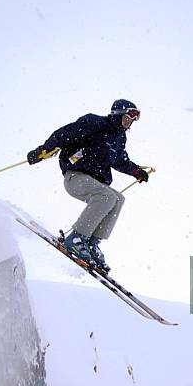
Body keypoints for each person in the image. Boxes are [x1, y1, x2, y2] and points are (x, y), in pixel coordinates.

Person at [27, 99, 149, 272]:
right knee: (106, 196)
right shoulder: (94, 123)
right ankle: (76, 238)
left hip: (94, 182)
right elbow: (63, 134)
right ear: (118, 115)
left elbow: (121, 161)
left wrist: (136, 171)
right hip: (75, 176)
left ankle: (91, 243)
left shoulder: (119, 138)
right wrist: (43, 150)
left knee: (118, 198)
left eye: (132, 121)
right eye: (127, 119)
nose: (129, 124)